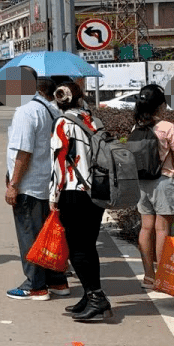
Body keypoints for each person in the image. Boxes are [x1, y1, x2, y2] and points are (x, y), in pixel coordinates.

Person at [50, 80, 113, 322]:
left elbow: (58, 163)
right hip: (96, 189)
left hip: (73, 191)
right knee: (89, 246)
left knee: (77, 250)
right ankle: (90, 295)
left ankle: (97, 298)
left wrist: (53, 196)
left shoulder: (62, 123)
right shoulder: (92, 119)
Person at [4, 75, 70, 301]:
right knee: (50, 234)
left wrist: (13, 184)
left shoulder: (27, 111)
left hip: (30, 185)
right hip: (49, 184)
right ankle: (58, 281)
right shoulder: (53, 110)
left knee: (29, 236)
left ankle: (35, 285)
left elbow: (24, 151)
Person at [132, 84, 174, 289]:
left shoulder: (137, 127)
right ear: (160, 105)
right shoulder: (168, 127)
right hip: (164, 181)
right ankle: (162, 277)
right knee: (162, 229)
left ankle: (148, 276)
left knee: (146, 228)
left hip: (142, 183)